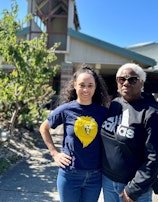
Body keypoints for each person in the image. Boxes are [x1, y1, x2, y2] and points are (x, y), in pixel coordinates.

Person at [39, 64, 110, 202]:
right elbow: (44, 128)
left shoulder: (103, 112)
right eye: (82, 85)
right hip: (70, 175)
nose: (86, 89)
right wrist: (54, 153)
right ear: (75, 86)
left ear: (96, 88)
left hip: (95, 176)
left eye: (90, 85)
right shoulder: (66, 110)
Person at [101, 63, 158, 202]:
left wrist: (133, 190)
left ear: (141, 82)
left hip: (133, 189)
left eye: (132, 79)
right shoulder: (115, 105)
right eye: (121, 79)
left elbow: (154, 158)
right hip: (108, 182)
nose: (126, 83)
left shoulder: (152, 114)